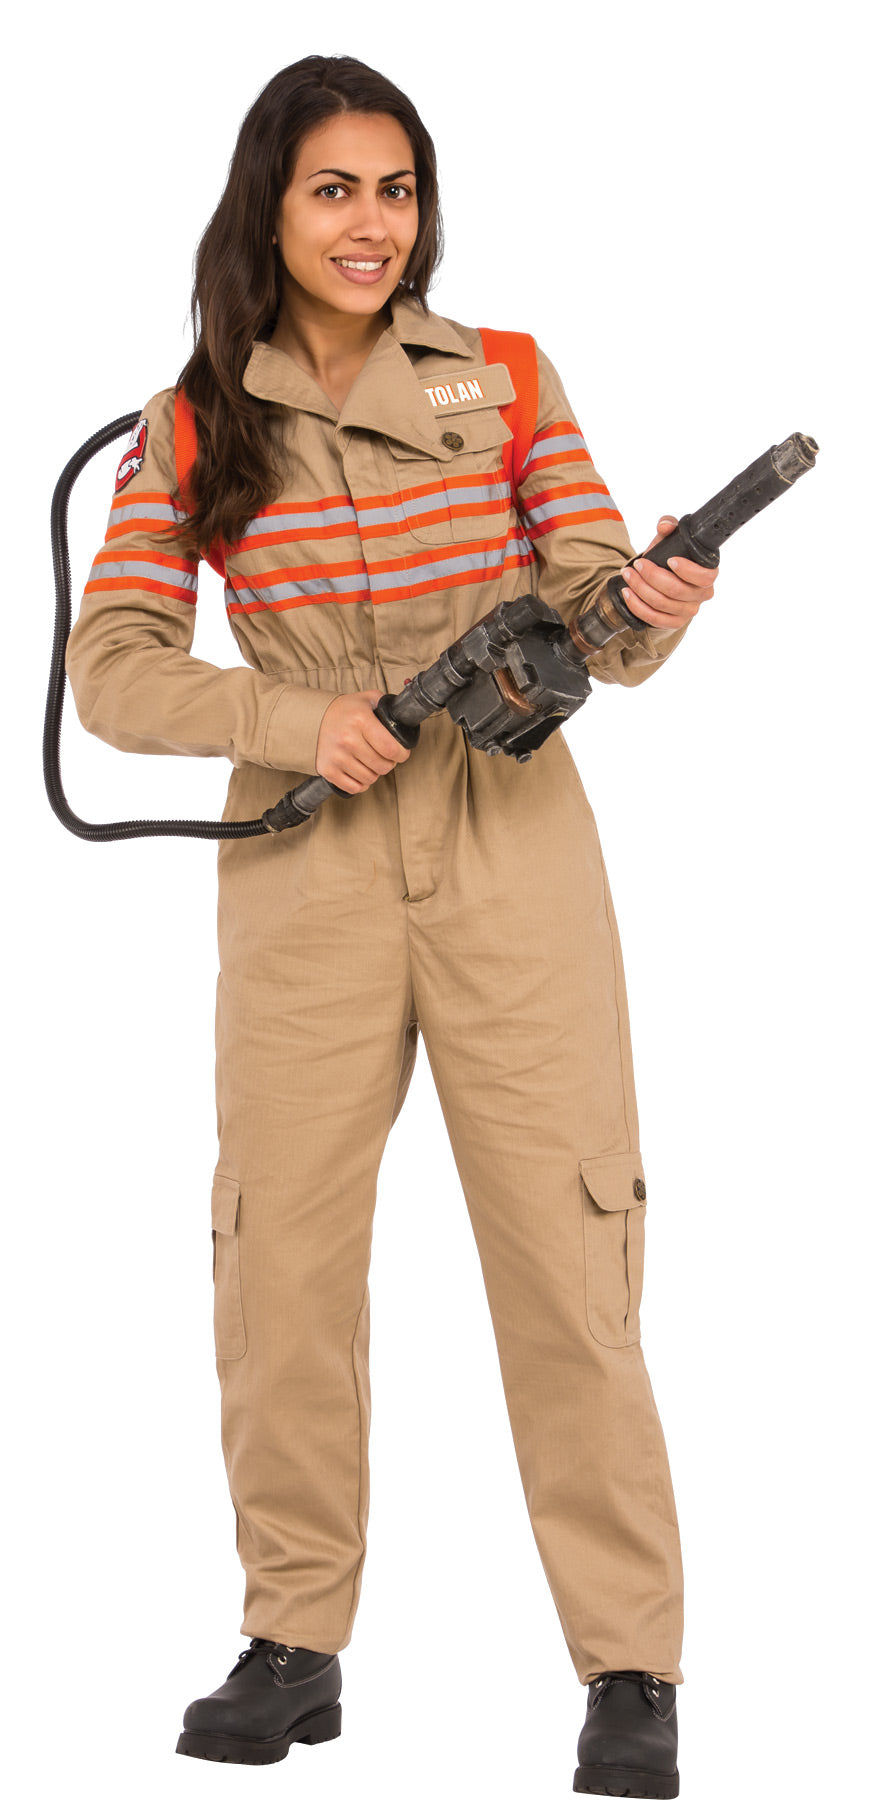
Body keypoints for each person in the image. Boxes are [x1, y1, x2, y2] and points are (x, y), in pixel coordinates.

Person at [64, 54, 717, 1791]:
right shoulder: (191, 422)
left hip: (512, 846)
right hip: (306, 866)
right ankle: (293, 1640)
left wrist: (651, 598)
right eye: (335, 190)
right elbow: (110, 671)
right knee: (280, 1259)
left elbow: (595, 619)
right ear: (269, 208)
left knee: (570, 1248)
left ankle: (630, 1667)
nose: (372, 225)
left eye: (397, 190)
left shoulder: (506, 375)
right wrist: (294, 721)